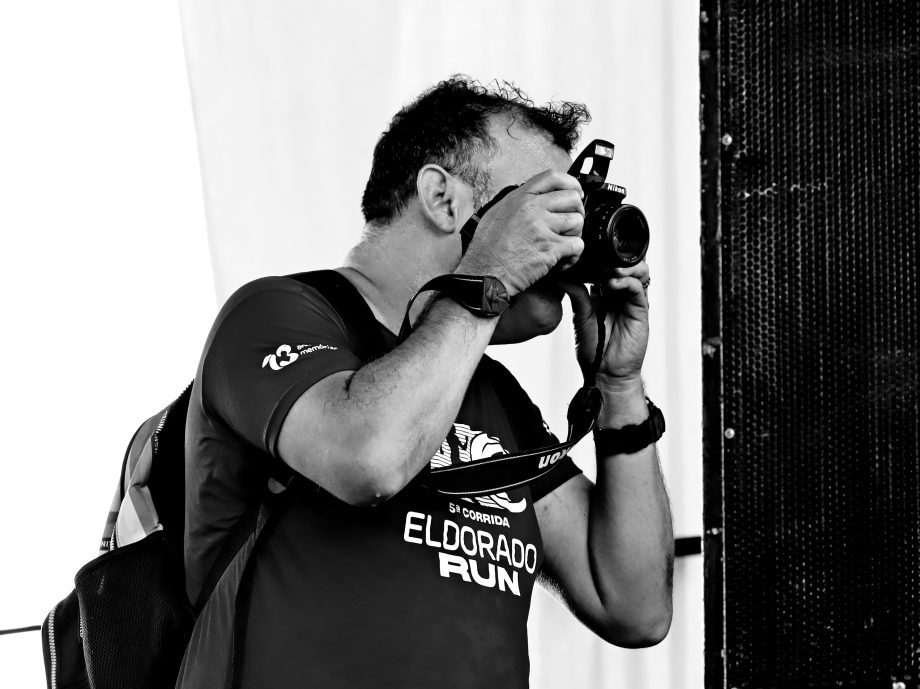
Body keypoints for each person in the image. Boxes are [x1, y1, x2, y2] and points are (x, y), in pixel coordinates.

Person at [177, 76, 673, 689]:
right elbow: (370, 460)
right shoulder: (276, 314)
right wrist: (490, 274)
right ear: (442, 198)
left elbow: (633, 605)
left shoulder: (492, 394)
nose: (566, 240)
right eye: (540, 205)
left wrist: (619, 388)